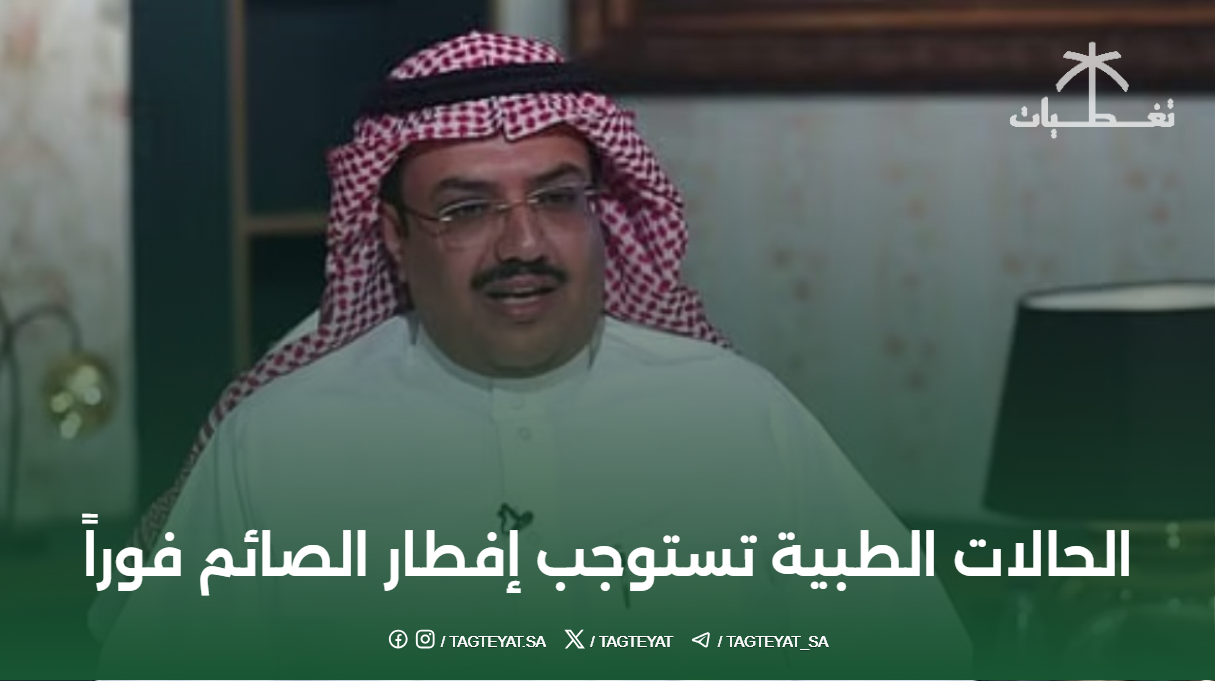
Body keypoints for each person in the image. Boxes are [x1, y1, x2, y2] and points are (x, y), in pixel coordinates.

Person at [90, 31, 970, 678]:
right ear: (392, 235)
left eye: (555, 197)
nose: (523, 244)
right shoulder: (278, 442)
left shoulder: (738, 415)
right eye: (467, 209)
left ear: (599, 211)